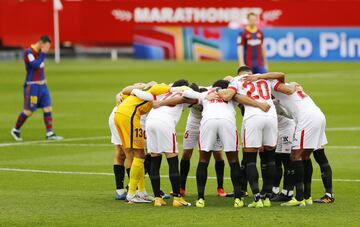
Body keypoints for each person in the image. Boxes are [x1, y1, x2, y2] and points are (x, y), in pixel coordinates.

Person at [183, 79, 270, 208]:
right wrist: (260, 104)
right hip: (227, 121)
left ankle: (200, 199)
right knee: (233, 161)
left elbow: (186, 93)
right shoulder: (231, 94)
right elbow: (245, 99)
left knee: (203, 160)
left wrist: (206, 95)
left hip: (208, 121)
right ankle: (238, 199)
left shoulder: (207, 93)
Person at [217, 66, 285, 208]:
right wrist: (260, 76)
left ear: (239, 74)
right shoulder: (263, 78)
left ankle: (256, 198)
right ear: (251, 73)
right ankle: (267, 197)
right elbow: (281, 74)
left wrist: (219, 91)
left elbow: (228, 96)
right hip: (271, 116)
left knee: (250, 158)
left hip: (253, 116)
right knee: (270, 156)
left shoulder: (236, 80)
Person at [131, 80, 193, 207]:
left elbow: (142, 94)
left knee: (155, 159)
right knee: (172, 159)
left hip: (150, 122)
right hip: (165, 123)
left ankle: (158, 198)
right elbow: (190, 97)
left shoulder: (162, 93)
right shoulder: (185, 92)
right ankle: (177, 198)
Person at [114, 82, 169, 203]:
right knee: (139, 155)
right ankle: (132, 193)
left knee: (134, 155)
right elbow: (165, 88)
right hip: (129, 117)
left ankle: (141, 192)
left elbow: (123, 92)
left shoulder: (140, 95)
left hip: (119, 115)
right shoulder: (152, 93)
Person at [180, 84, 230, 197]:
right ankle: (181, 187)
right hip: (193, 124)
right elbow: (184, 92)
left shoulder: (213, 92)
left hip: (209, 123)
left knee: (217, 154)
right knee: (186, 154)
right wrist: (203, 96)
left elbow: (225, 82)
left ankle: (220, 188)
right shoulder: (195, 95)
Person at [11, 35, 63, 141]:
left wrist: (45, 82)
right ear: (41, 43)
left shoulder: (39, 53)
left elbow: (41, 69)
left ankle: (50, 133)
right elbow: (35, 65)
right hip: (32, 86)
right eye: (47, 47)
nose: (48, 49)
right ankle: (16, 129)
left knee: (47, 108)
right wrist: (43, 53)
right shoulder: (29, 52)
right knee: (29, 111)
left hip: (42, 86)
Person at [270, 99, 295, 202]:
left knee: (287, 162)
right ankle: (275, 190)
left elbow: (291, 115)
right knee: (277, 161)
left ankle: (288, 193)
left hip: (287, 130)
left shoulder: (276, 101)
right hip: (278, 130)